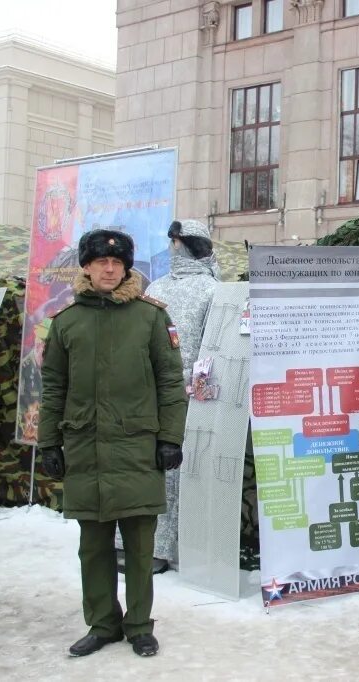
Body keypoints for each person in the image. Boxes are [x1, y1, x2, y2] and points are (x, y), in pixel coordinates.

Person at [37, 229, 187, 658]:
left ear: (126, 268)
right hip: (86, 449)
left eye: (117, 263)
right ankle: (103, 623)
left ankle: (139, 625)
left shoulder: (151, 317)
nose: (109, 268)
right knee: (94, 546)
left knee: (140, 545)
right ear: (85, 266)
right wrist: (49, 443)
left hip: (138, 448)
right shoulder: (67, 322)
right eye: (100, 262)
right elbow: (53, 388)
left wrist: (170, 438)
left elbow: (170, 383)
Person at [116, 218, 219, 574]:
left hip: (187, 393)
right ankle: (133, 541)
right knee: (146, 466)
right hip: (156, 389)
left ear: (182, 243)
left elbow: (214, 346)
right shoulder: (158, 286)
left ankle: (160, 546)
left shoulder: (211, 290)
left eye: (174, 241)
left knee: (172, 471)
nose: (171, 246)